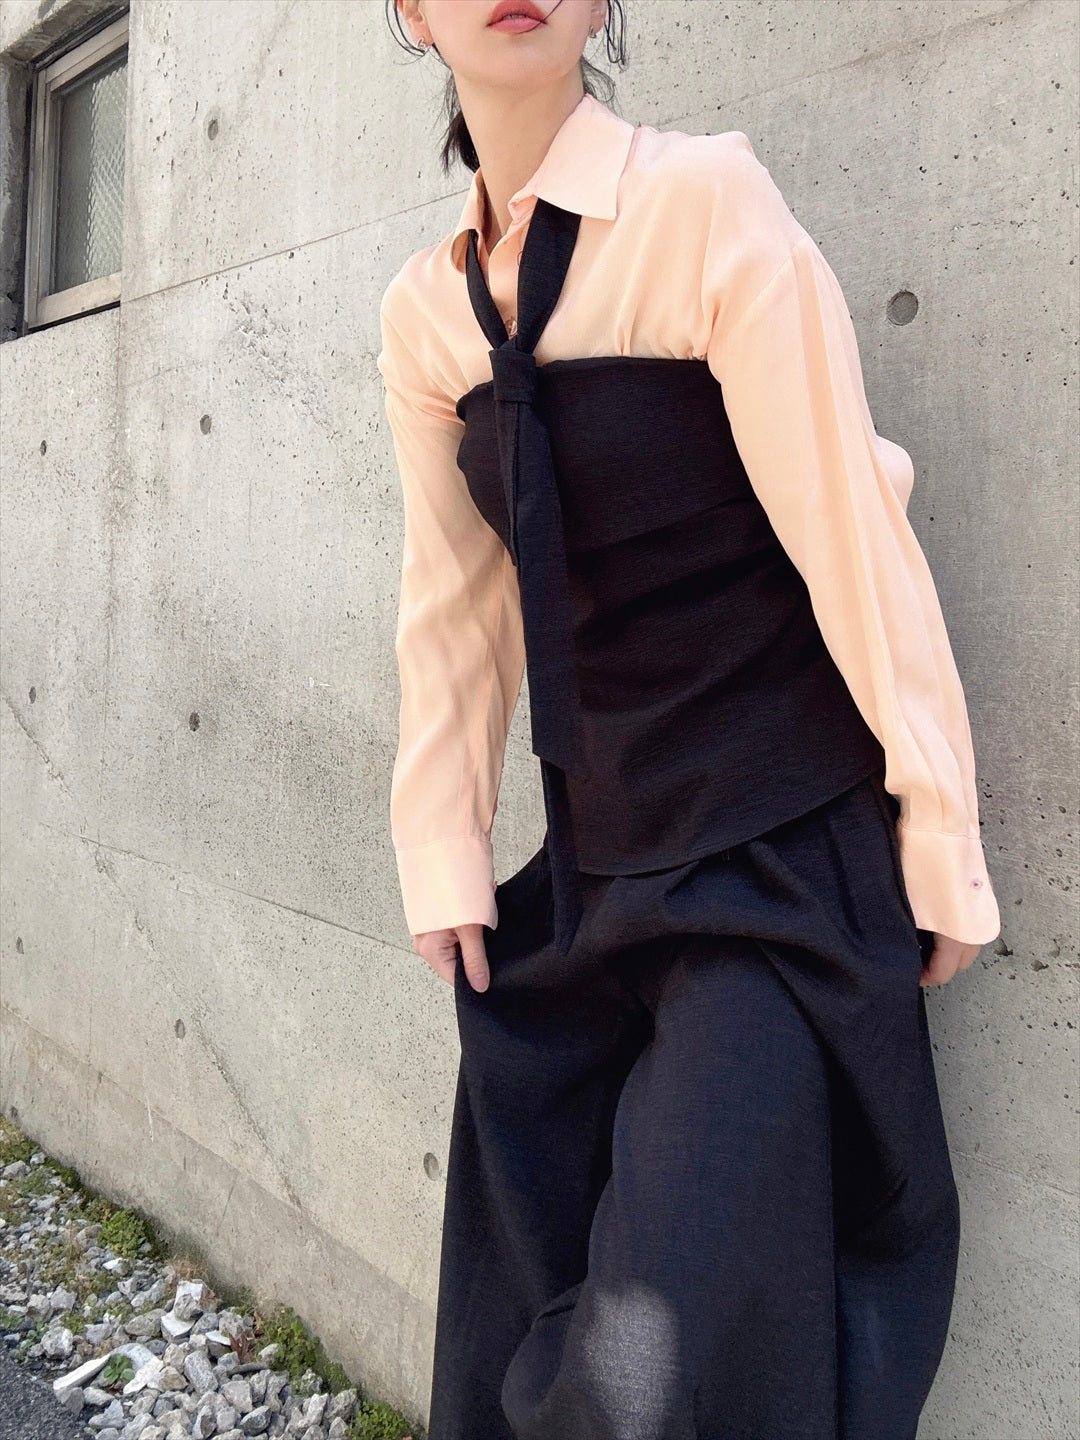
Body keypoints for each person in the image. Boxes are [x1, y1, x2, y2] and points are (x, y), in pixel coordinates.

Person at [377, 3, 1002, 1437]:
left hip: (773, 865)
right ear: (406, 10)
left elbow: (853, 533)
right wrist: (443, 849)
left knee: (649, 1374)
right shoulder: (423, 315)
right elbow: (454, 602)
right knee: (509, 1327)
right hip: (591, 872)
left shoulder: (704, 200)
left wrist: (939, 826)